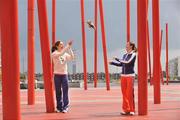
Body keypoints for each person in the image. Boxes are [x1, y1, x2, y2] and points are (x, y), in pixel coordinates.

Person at [109, 42, 137, 116]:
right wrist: (113, 63)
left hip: (130, 76)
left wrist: (117, 59)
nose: (126, 46)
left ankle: (132, 110)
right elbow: (121, 64)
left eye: (127, 45)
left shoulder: (133, 55)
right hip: (123, 76)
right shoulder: (125, 55)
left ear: (131, 46)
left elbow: (127, 62)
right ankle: (126, 109)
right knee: (124, 94)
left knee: (129, 94)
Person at [51, 40, 74, 113]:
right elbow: (61, 53)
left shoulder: (65, 54)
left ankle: (65, 107)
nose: (62, 45)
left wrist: (69, 48)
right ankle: (59, 107)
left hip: (64, 75)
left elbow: (72, 57)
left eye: (63, 44)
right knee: (58, 92)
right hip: (57, 75)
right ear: (57, 46)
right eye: (61, 44)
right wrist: (67, 46)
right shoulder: (54, 53)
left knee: (65, 91)